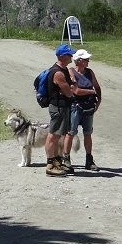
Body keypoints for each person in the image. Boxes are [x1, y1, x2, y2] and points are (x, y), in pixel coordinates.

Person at [65, 49, 102, 170]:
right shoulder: (71, 72)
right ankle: (66, 159)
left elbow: (97, 86)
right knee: (70, 133)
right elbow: (76, 91)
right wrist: (92, 92)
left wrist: (98, 100)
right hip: (75, 107)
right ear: (79, 61)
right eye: (86, 59)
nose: (88, 61)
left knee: (88, 133)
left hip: (88, 107)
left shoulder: (90, 72)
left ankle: (89, 160)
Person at [44, 44, 77, 177]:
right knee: (53, 135)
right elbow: (69, 92)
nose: (71, 57)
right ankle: (50, 164)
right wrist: (73, 89)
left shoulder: (63, 70)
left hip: (62, 106)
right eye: (69, 55)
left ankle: (56, 160)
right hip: (58, 107)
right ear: (62, 57)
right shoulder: (57, 73)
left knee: (58, 135)